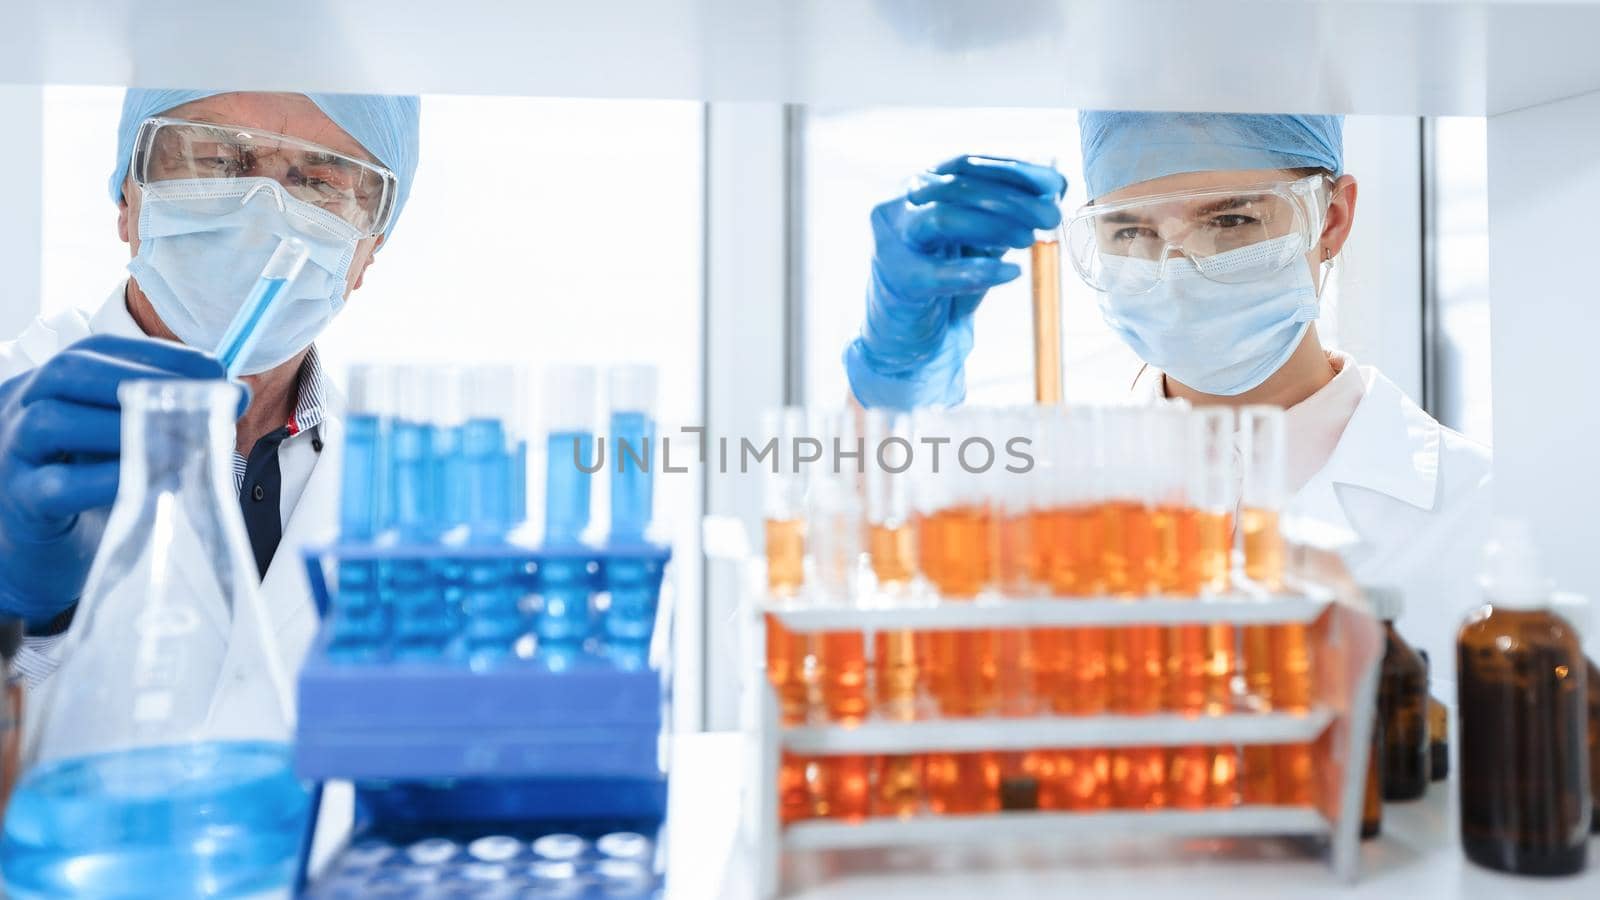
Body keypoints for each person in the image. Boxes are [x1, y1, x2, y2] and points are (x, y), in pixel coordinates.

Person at [844, 112, 1492, 683]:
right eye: (1130, 232)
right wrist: (888, 393)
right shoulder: (1050, 487)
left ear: (1332, 219)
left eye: (1232, 219)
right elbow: (852, 653)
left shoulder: (1476, 506)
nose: (1178, 269)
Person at [0, 89, 421, 691]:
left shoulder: (403, 491)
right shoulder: (12, 417)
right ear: (129, 197)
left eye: (324, 182)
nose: (264, 215)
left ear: (369, 250)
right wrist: (13, 612)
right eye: (215, 159)